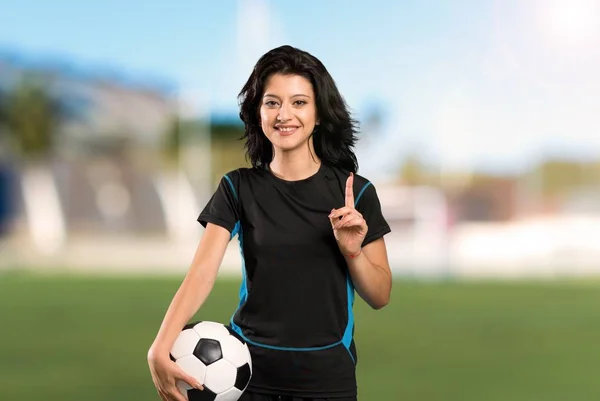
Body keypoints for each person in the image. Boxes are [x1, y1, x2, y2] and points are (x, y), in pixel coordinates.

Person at [148, 45, 392, 401]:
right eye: (272, 102)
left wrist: (353, 252)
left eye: (299, 102)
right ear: (257, 112)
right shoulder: (237, 187)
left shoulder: (356, 193)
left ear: (319, 112)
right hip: (249, 376)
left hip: (327, 379)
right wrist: (160, 345)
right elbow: (201, 273)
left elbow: (381, 296)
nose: (284, 114)